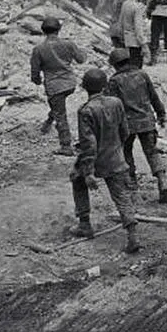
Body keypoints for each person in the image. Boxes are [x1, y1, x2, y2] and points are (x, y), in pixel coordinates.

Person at [69, 68, 141, 254]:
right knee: (121, 196)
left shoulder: (86, 110)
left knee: (77, 179)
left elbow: (88, 144)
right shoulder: (116, 103)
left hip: (96, 159)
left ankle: (85, 224)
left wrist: (88, 172)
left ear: (85, 87)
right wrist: (117, 148)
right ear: (104, 86)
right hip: (115, 157)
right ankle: (132, 235)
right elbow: (125, 131)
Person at [106, 48, 167, 204]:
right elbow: (154, 97)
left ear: (115, 65)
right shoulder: (142, 75)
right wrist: (161, 113)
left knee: (126, 153)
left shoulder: (114, 81)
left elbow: (112, 105)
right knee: (152, 152)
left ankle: (133, 188)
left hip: (127, 124)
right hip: (146, 120)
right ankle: (162, 181)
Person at [30, 16, 87, 155]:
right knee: (57, 106)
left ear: (43, 31)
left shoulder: (38, 49)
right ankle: (47, 124)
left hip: (54, 86)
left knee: (60, 113)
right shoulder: (68, 44)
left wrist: (37, 81)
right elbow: (81, 60)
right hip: (70, 83)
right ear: (58, 30)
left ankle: (66, 146)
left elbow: (35, 71)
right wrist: (83, 51)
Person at [119, 0, 151, 68]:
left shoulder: (125, 4)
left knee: (130, 64)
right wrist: (144, 44)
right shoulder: (137, 7)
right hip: (135, 42)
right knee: (136, 66)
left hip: (126, 39)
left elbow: (121, 21)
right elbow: (138, 28)